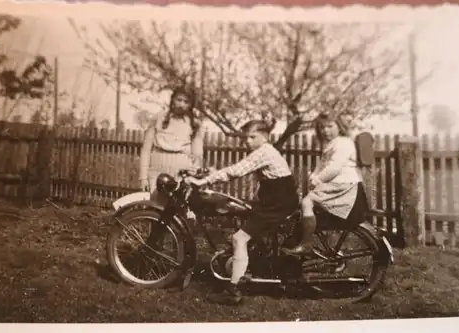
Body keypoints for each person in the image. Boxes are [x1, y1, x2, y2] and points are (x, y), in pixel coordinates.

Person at [187, 119, 300, 305]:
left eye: (252, 137)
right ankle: (251, 265)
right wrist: (209, 174)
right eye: (245, 138)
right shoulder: (266, 151)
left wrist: (206, 182)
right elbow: (235, 170)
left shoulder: (264, 152)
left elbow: (236, 171)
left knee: (239, 238)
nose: (247, 141)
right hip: (275, 201)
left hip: (277, 204)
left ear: (264, 137)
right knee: (239, 213)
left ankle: (233, 290)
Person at [281, 112, 363, 255]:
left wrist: (318, 180)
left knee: (307, 202)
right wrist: (314, 176)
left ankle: (307, 244)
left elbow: (334, 167)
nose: (326, 131)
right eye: (322, 128)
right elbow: (321, 165)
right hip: (336, 184)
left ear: (339, 126)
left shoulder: (344, 142)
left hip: (343, 185)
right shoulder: (332, 144)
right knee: (308, 207)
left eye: (330, 126)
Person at [138, 87, 205, 204]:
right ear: (172, 100)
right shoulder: (159, 117)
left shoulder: (195, 123)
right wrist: (143, 177)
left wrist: (195, 171)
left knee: (177, 209)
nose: (181, 104)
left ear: (191, 105)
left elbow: (198, 154)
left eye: (186, 102)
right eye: (179, 100)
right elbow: (146, 149)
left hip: (181, 170)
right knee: (156, 208)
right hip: (157, 168)